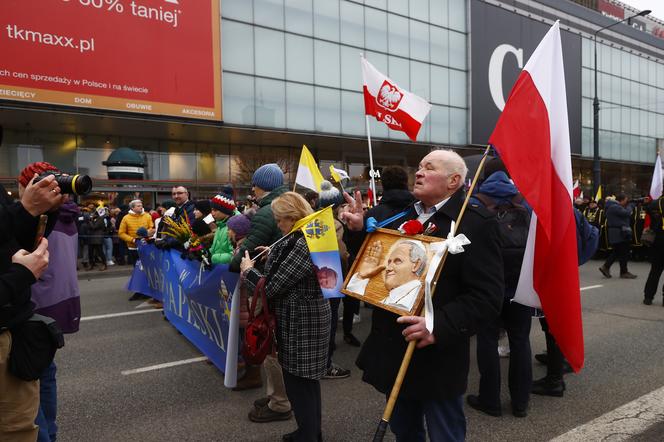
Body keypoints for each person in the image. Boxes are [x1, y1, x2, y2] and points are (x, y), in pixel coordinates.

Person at [341, 149, 503, 441]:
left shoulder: (475, 223)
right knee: (405, 431)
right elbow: (374, 266)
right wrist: (355, 231)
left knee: (445, 434)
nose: (419, 172)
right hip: (395, 349)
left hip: (436, 356)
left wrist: (438, 325)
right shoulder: (401, 216)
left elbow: (487, 296)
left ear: (453, 181)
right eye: (419, 167)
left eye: (429, 168)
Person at [240, 192, 331, 442]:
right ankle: (310, 432)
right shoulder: (305, 234)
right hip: (303, 320)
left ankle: (308, 435)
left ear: (293, 217)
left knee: (300, 385)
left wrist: (248, 272)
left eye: (280, 220)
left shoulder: (304, 242)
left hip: (302, 323)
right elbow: (290, 272)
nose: (278, 225)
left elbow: (271, 288)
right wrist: (272, 256)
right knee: (304, 384)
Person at [464, 157, 533, 418]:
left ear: (484, 175)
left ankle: (490, 400)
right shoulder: (524, 201)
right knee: (520, 341)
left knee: (487, 340)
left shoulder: (473, 202)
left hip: (486, 286)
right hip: (520, 285)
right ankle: (521, 402)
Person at [1, 166, 63, 441]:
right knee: (23, 430)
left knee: (37, 424)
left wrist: (43, 212)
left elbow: (17, 245)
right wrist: (21, 275)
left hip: (21, 326)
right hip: (9, 326)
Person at [230, 164, 292, 421]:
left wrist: (237, 262)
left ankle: (280, 402)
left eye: (254, 184)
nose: (252, 189)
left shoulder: (268, 211)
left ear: (261, 185)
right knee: (274, 344)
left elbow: (248, 252)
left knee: (270, 345)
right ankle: (276, 394)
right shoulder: (282, 203)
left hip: (267, 286)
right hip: (278, 285)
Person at [316, 181, 351, 380]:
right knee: (329, 322)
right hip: (331, 277)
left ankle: (317, 360)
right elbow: (341, 254)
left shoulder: (312, 219)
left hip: (316, 276)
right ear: (337, 205)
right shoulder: (335, 224)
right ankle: (326, 364)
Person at [118, 199, 154, 301]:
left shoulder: (147, 216)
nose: (141, 207)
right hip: (133, 248)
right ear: (132, 208)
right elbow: (121, 233)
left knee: (147, 270)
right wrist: (133, 240)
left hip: (146, 247)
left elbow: (152, 227)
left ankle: (147, 291)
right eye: (138, 205)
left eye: (141, 205)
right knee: (137, 270)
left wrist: (148, 233)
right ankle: (138, 291)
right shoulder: (126, 218)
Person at [599, 194, 637, 279]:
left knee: (618, 251)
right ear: (622, 200)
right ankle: (622, 272)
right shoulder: (614, 207)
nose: (626, 202)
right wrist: (631, 206)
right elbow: (627, 213)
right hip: (619, 232)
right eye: (626, 200)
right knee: (623, 252)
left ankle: (607, 267)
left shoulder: (612, 206)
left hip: (617, 232)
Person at [643, 195, 664, 305]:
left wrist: (647, 204)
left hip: (657, 241)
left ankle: (648, 297)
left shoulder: (654, 204)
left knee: (655, 270)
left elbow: (647, 210)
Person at [209, 193, 237, 265]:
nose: (212, 213)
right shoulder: (220, 225)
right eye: (211, 210)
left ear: (225, 211)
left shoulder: (233, 228)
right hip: (219, 269)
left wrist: (214, 258)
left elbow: (234, 254)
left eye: (215, 210)